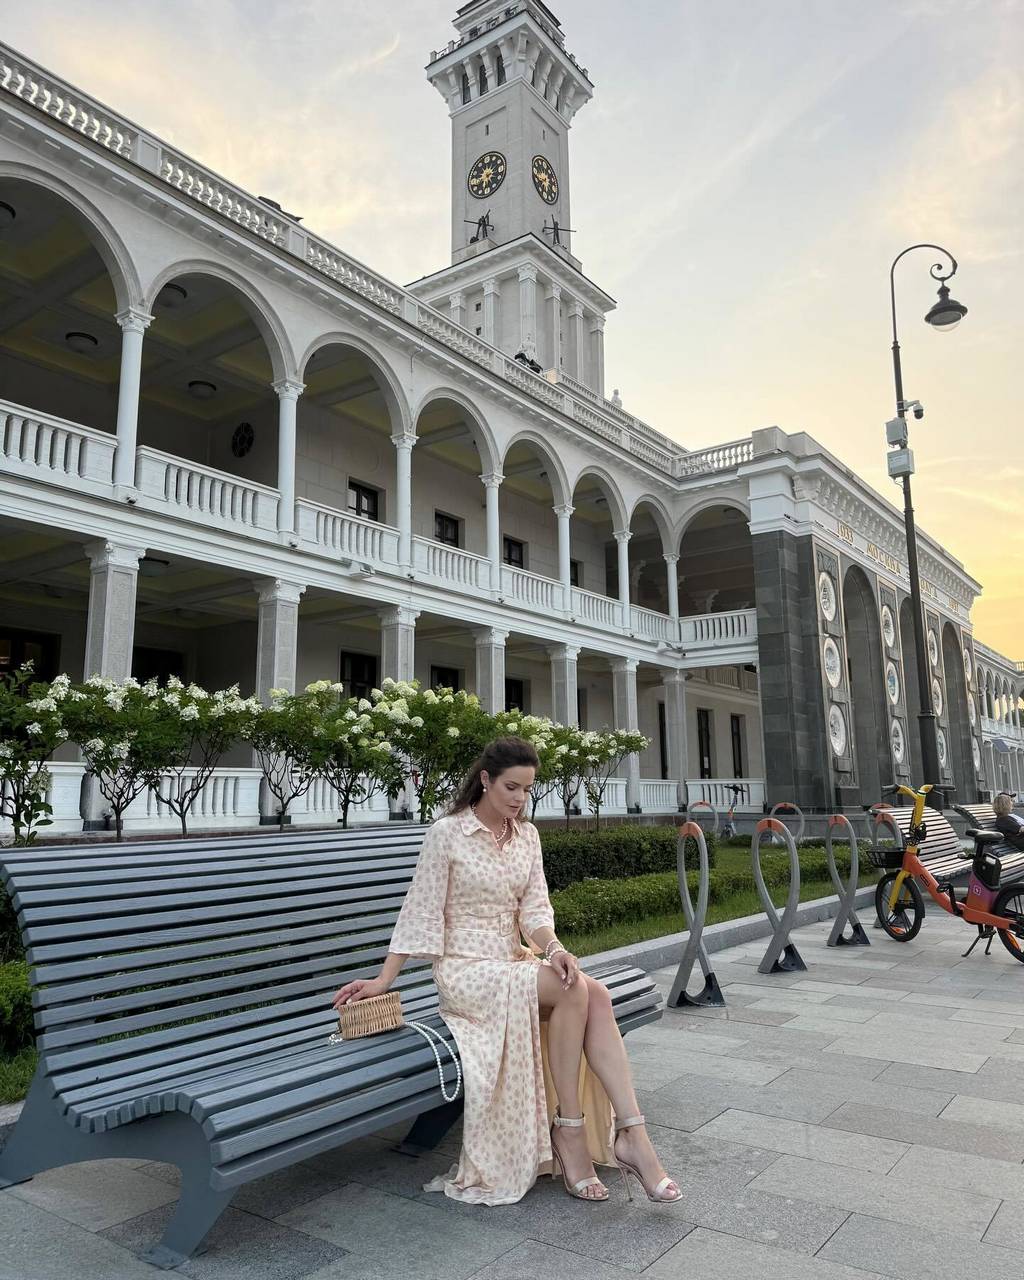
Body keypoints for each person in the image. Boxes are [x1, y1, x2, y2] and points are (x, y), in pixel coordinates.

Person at [331, 736, 682, 1207]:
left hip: (511, 958)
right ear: (485, 780)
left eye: (527, 790)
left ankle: (632, 1133)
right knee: (576, 994)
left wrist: (554, 948)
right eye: (511, 787)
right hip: (466, 971)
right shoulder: (448, 834)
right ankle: (572, 1135)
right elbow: (420, 911)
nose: (519, 799)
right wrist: (383, 981)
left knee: (588, 990)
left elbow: (535, 909)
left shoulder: (527, 837)